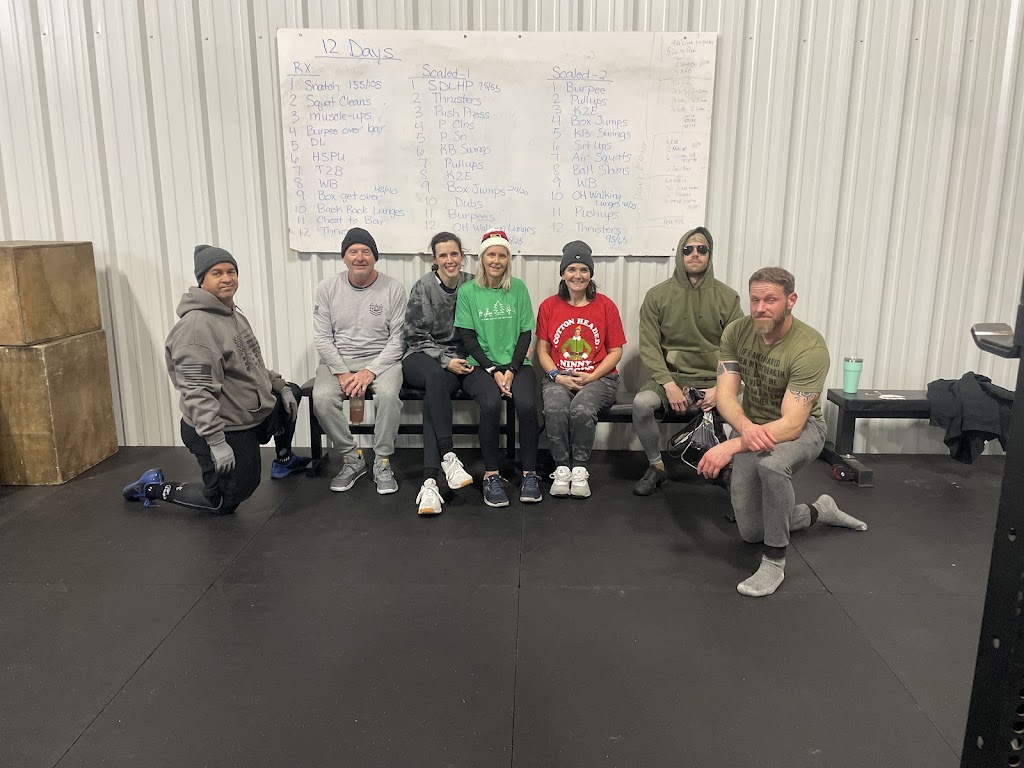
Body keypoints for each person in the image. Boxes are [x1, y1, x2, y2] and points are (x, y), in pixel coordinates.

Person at [696, 267, 868, 597]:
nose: (760, 308)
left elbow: (791, 424)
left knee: (771, 465)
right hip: (753, 425)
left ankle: (774, 563)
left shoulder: (809, 347)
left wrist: (731, 446)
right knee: (751, 532)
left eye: (770, 300)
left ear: (791, 300)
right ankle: (820, 511)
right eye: (755, 300)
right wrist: (746, 429)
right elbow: (726, 396)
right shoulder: (736, 332)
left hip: (803, 429)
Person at [122, 245, 308, 513]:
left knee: (291, 391)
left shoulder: (233, 315)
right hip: (222, 425)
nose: (227, 278)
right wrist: (217, 442)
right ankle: (150, 487)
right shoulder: (196, 329)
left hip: (247, 411)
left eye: (231, 271)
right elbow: (197, 392)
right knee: (224, 502)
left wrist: (280, 386)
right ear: (202, 281)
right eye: (217, 273)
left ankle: (284, 459)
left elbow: (251, 366)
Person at [632, 227, 742, 495]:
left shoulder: (728, 297)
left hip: (715, 378)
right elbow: (649, 346)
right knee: (642, 404)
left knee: (751, 411)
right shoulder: (657, 296)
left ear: (710, 255)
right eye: (688, 249)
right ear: (680, 255)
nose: (695, 254)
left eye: (702, 249)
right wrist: (669, 385)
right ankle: (657, 467)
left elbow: (738, 349)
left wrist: (721, 389)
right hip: (673, 377)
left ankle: (729, 467)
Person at [312, 228, 406, 494]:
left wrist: (370, 371)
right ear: (344, 257)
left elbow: (398, 339)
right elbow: (322, 337)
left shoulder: (393, 289)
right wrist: (342, 373)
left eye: (366, 251)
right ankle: (352, 458)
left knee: (388, 395)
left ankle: (382, 460)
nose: (360, 257)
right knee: (322, 398)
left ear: (375, 257)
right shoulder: (327, 289)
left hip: (382, 360)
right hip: (338, 360)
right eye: (353, 251)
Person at [454, 230, 542, 507]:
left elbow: (526, 333)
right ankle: (491, 475)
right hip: (480, 366)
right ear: (482, 258)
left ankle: (530, 474)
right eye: (491, 254)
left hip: (517, 364)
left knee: (527, 405)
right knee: (490, 403)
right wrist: (493, 369)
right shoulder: (468, 291)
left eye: (502, 255)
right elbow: (467, 337)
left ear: (508, 259)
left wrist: (512, 369)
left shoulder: (518, 288)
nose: (496, 260)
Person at [536, 240, 626, 498]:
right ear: (563, 273)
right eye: (572, 269)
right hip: (559, 377)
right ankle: (562, 468)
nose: (578, 275)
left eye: (584, 269)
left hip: (600, 378)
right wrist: (557, 376)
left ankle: (580, 469)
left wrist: (592, 376)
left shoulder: (605, 306)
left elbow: (616, 351)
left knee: (581, 410)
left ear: (590, 273)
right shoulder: (549, 306)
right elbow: (542, 351)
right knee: (555, 409)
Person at [402, 231, 475, 516]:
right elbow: (414, 335)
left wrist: (458, 361)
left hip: (457, 361)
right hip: (420, 356)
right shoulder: (423, 287)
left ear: (462, 256)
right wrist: (445, 360)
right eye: (443, 255)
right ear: (434, 259)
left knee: (436, 390)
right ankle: (448, 454)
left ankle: (429, 483)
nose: (449, 260)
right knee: (434, 376)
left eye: (454, 254)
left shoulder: (473, 284)